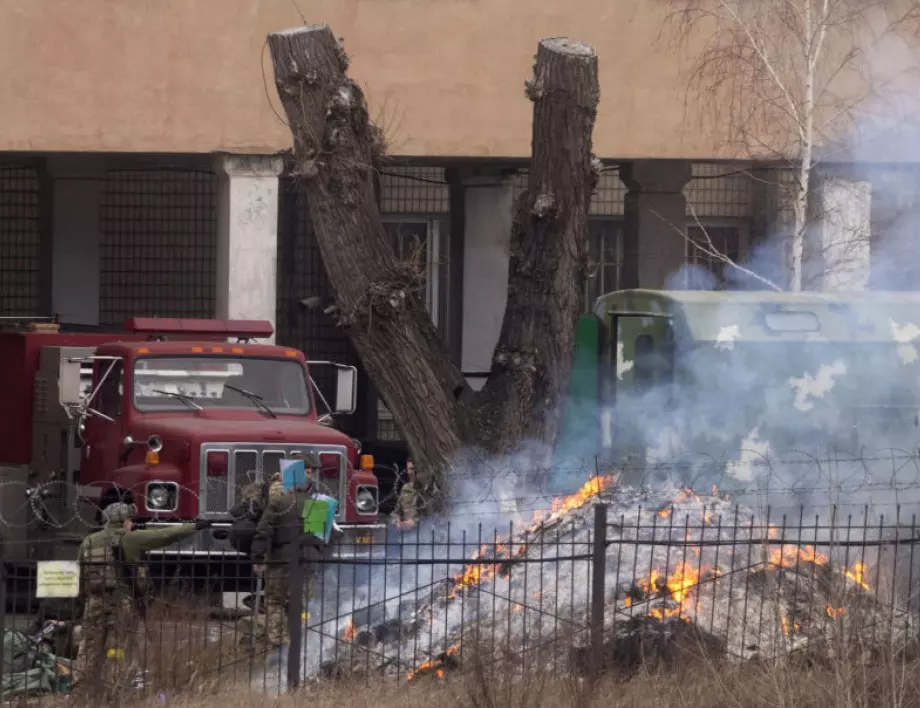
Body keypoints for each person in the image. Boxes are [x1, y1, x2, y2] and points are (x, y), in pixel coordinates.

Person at [74, 502, 211, 693]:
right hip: (121, 602)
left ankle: (81, 691)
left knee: (88, 648)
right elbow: (164, 536)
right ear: (125, 521)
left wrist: (85, 601)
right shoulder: (130, 539)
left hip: (94, 602)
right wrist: (195, 526)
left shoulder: (88, 542)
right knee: (119, 648)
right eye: (130, 520)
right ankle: (114, 689)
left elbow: (79, 577)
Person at [248, 454, 328, 658]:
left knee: (275, 602)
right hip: (306, 562)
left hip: (279, 560)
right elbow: (319, 538)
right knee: (302, 604)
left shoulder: (278, 502)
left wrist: (257, 558)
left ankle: (278, 646)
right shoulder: (317, 503)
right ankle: (300, 644)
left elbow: (263, 531)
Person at [393, 459, 422, 531]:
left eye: (414, 469)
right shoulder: (406, 489)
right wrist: (397, 522)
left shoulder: (430, 490)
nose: (412, 472)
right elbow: (395, 513)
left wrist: (415, 522)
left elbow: (436, 516)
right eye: (410, 469)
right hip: (407, 537)